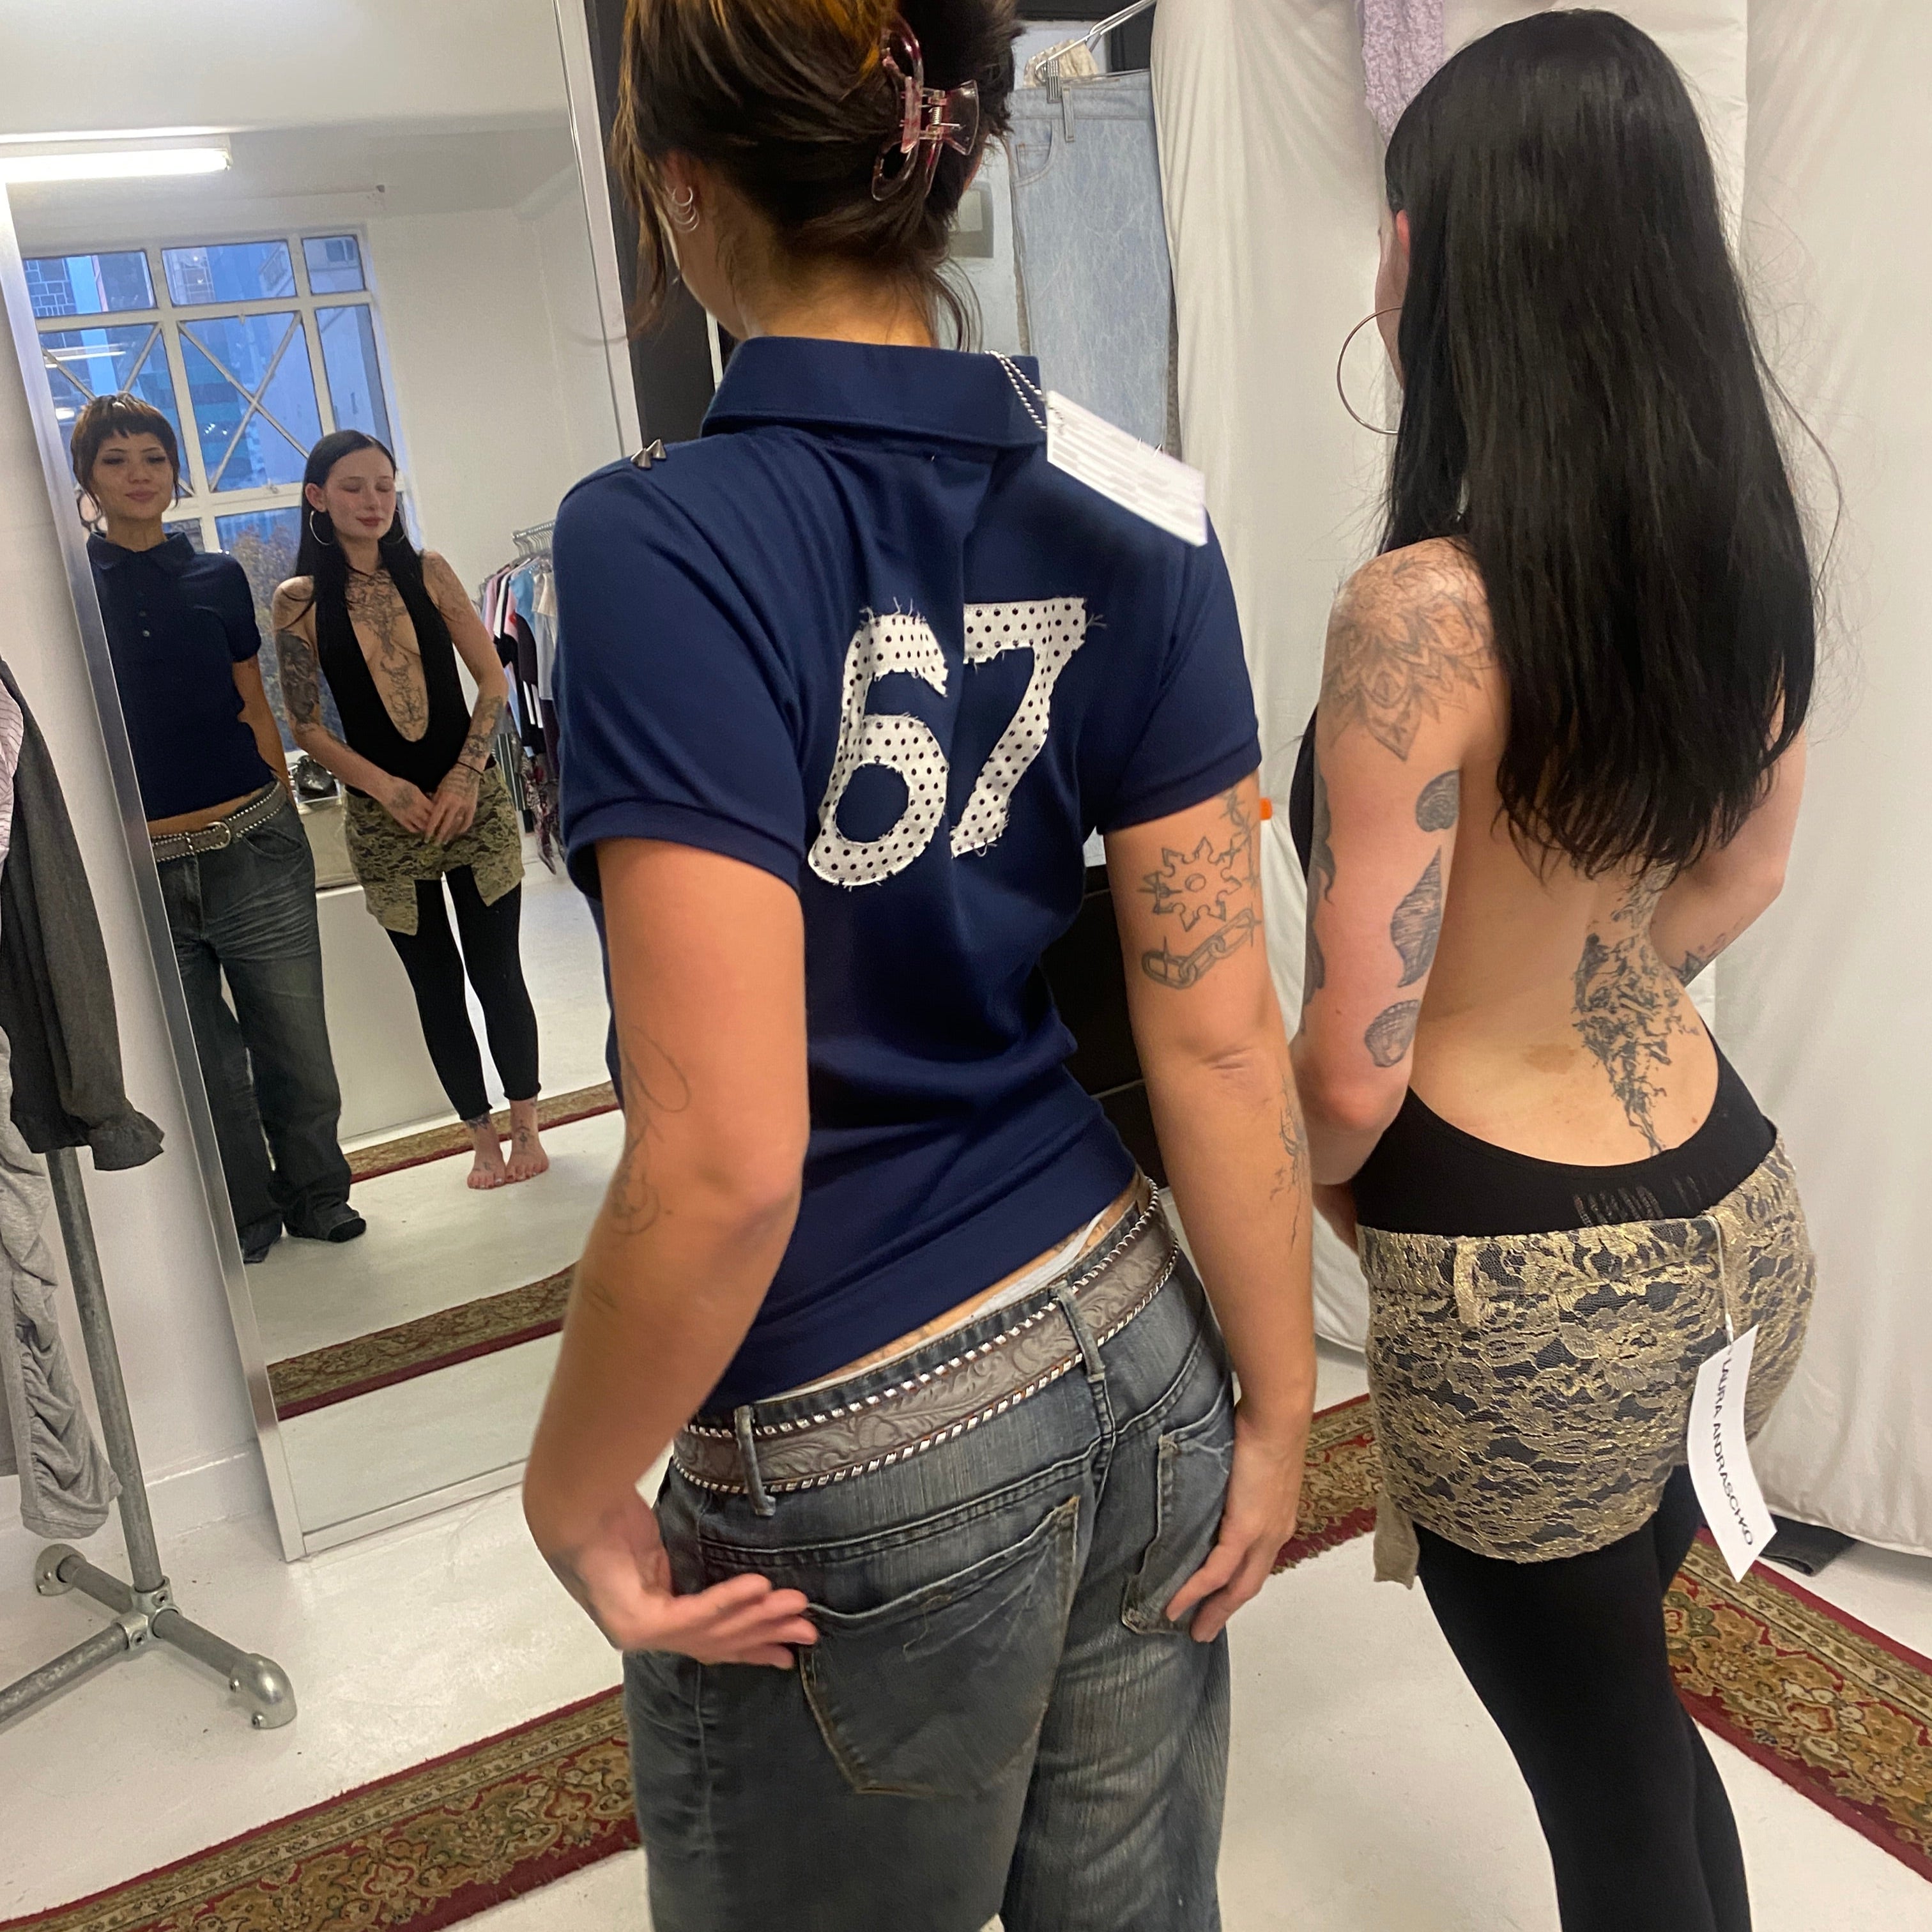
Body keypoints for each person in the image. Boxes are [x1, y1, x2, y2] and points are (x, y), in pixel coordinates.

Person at [522, 3, 1316, 1928]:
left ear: (683, 191)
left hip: (860, 1417)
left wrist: (569, 1488)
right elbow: (1222, 1036)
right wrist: (1286, 1406)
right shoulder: (1135, 507)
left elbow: (726, 1159)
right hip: (1134, 1328)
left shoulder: (660, 540)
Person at [1291, 16, 1816, 1932]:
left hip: (1526, 1284)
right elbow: (1745, 867)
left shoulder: (1421, 613)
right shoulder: (1739, 542)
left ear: (1428, 253)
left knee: (1606, 1782)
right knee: (1632, 1732)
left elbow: (1352, 1069)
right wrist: (1583, 976)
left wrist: (1317, 1183)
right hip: (1737, 1214)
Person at [72, 394, 361, 1262]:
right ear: (87, 477)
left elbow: (252, 703)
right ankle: (248, 1214)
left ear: (174, 472)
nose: (138, 475)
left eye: (154, 458)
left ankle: (318, 1195)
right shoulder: (70, 592)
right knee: (208, 1066)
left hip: (252, 843)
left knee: (297, 1048)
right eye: (117, 460)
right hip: (145, 866)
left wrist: (282, 808)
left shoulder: (219, 578)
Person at [273, 433, 548, 1190]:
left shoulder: (430, 572)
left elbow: (492, 681)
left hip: (474, 806)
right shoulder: (298, 601)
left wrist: (464, 777)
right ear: (317, 497)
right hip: (384, 824)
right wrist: (387, 790)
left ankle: (527, 1123)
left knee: (498, 971)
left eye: (384, 486)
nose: (373, 501)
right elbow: (305, 725)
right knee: (435, 983)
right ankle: (480, 1136)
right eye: (353, 486)